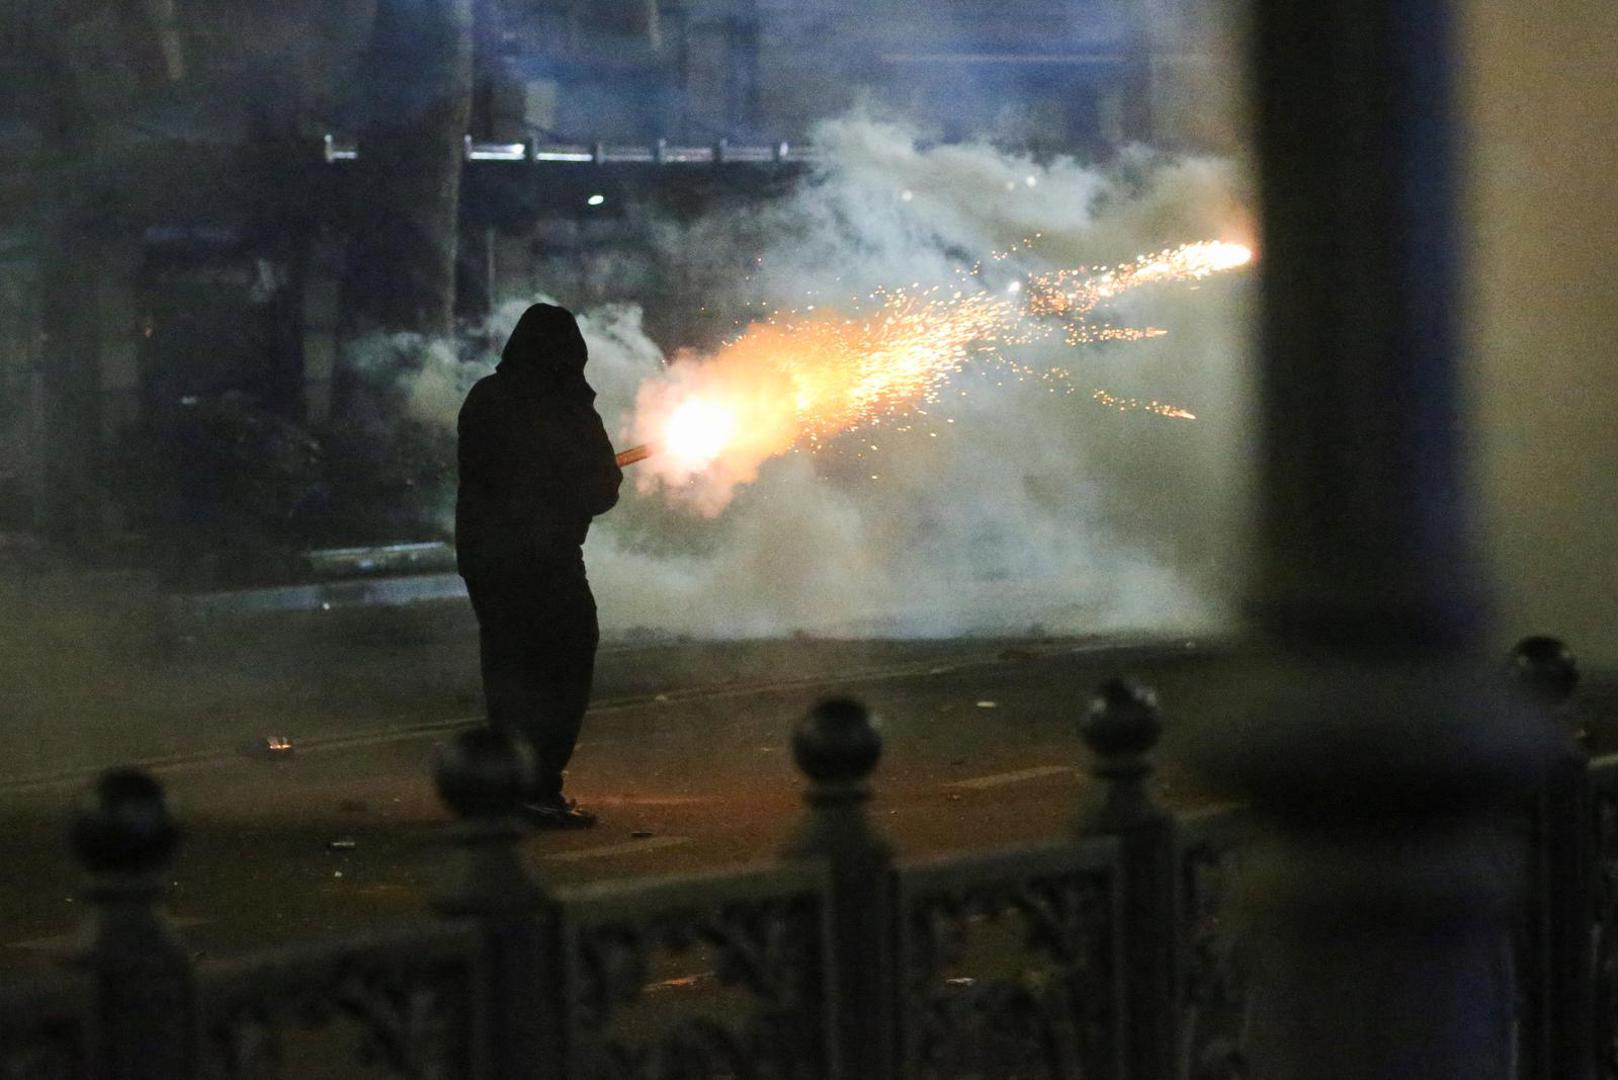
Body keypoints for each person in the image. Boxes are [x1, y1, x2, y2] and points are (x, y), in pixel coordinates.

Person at [455, 304, 623, 828]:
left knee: (509, 672)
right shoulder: (570, 405)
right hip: (546, 561)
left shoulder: (486, 396)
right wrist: (576, 485)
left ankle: (507, 786)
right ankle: (537, 785)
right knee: (564, 666)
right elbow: (602, 490)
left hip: (487, 559)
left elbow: (486, 472)